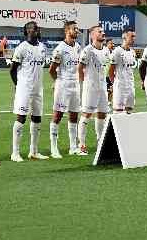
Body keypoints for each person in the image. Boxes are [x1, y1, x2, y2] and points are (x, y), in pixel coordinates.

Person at [10, 21, 48, 162]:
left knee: (37, 118)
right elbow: (13, 70)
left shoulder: (42, 47)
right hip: (24, 88)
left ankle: (34, 151)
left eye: (37, 28)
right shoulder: (21, 48)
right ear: (27, 31)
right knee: (21, 117)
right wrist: (18, 85)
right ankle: (15, 152)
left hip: (38, 88)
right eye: (33, 28)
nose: (36, 30)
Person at [49, 21, 82, 157]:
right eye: (74, 29)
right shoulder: (60, 49)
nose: (77, 31)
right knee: (58, 115)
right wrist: (58, 82)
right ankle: (54, 148)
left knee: (74, 115)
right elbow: (52, 70)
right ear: (67, 31)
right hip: (63, 85)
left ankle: (73, 147)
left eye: (77, 29)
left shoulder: (78, 47)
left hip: (75, 85)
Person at [78, 26, 110, 153]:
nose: (103, 33)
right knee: (87, 114)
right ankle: (82, 145)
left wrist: (108, 84)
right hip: (90, 87)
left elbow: (106, 68)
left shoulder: (107, 50)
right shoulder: (88, 50)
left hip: (102, 87)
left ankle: (100, 142)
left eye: (103, 31)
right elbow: (80, 68)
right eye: (100, 31)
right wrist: (83, 83)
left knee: (102, 114)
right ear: (92, 35)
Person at [109, 29, 137, 114]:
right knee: (118, 113)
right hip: (120, 87)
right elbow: (111, 71)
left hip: (130, 86)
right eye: (131, 36)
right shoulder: (117, 51)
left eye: (134, 36)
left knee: (129, 112)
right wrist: (116, 84)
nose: (133, 38)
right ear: (124, 36)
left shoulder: (132, 52)